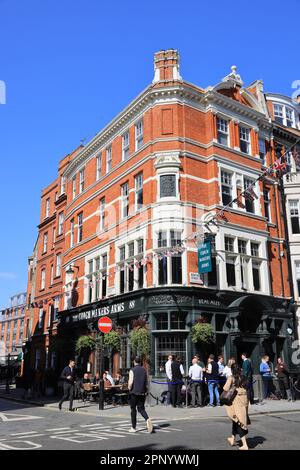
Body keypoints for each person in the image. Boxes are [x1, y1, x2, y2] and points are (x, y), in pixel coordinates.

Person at [224, 365, 251, 450]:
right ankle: (232, 438)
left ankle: (245, 445)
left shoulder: (231, 378)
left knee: (238, 421)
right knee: (235, 420)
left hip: (236, 401)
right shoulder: (243, 377)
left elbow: (225, 388)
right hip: (244, 399)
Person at [128, 356, 153, 433]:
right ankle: (147, 418)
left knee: (133, 409)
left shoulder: (132, 370)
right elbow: (147, 382)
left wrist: (129, 388)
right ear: (140, 362)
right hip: (142, 392)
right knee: (141, 409)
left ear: (134, 362)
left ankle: (133, 427)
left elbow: (131, 382)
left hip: (134, 392)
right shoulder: (144, 370)